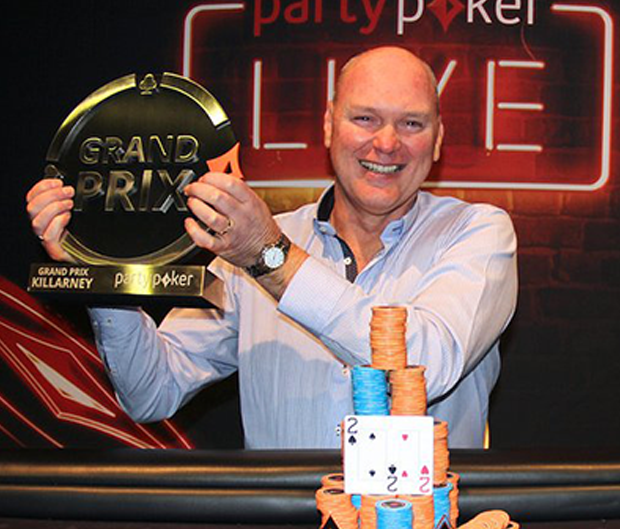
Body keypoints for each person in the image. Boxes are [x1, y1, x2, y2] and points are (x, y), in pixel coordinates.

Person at [25, 46, 517, 449]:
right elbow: (152, 391)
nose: (386, 143)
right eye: (365, 118)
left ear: (438, 140)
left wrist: (269, 257)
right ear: (329, 126)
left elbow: (425, 366)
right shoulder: (253, 245)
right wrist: (99, 266)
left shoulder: (476, 233)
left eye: (412, 124)